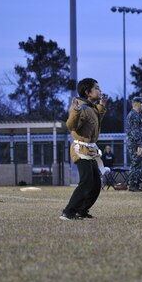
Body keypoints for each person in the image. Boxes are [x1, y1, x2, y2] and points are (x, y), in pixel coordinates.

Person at [60, 78, 107, 220]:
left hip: (90, 150)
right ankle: (68, 211)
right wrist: (75, 111)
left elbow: (96, 121)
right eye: (97, 88)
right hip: (81, 149)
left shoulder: (91, 107)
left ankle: (81, 210)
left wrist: (102, 106)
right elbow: (71, 126)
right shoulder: (79, 106)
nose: (100, 90)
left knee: (96, 183)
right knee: (86, 181)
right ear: (88, 92)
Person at [126, 96, 142, 192]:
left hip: (135, 142)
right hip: (135, 143)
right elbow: (135, 132)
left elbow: (139, 128)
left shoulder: (136, 115)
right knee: (135, 163)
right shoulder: (133, 115)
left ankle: (136, 184)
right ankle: (133, 184)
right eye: (141, 103)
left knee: (137, 163)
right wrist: (139, 145)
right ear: (137, 104)